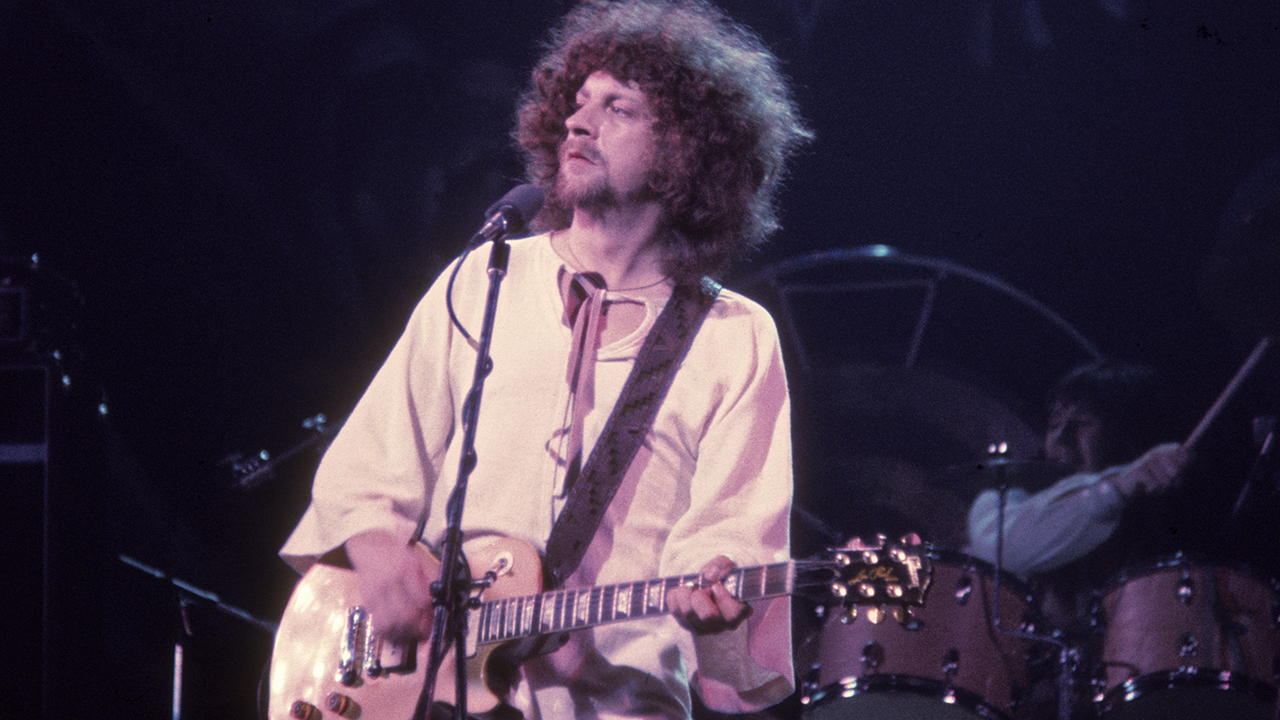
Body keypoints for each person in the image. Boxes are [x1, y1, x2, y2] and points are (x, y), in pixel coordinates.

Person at [280, 2, 813, 720]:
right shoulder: (486, 277)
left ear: (690, 147)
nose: (578, 122)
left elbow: (730, 538)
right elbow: (370, 464)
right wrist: (377, 553)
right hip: (433, 700)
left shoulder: (733, 336)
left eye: (618, 108)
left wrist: (714, 596)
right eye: (578, 102)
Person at [967, 360, 1191, 579]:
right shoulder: (1005, 496)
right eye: (1054, 425)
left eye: (1083, 422)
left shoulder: (1160, 520)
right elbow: (1003, 549)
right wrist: (1116, 487)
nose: (1060, 439)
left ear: (1126, 434)